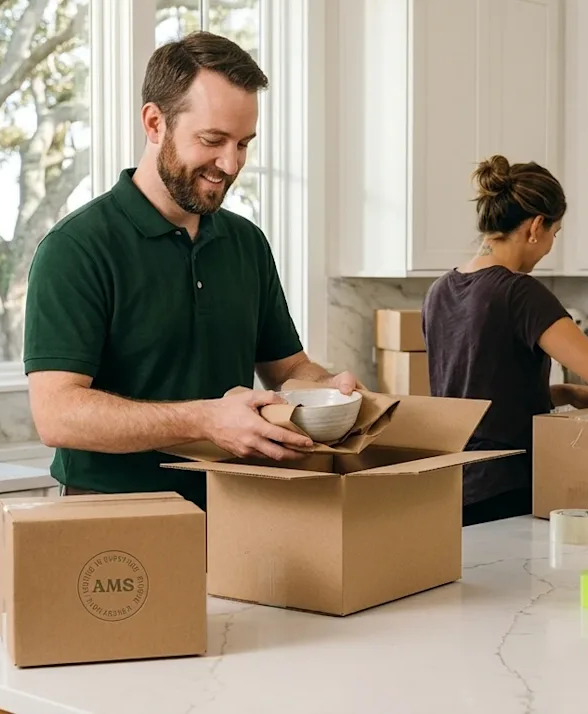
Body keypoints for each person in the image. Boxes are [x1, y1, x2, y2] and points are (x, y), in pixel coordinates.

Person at [22, 32, 358, 509]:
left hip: (238, 507)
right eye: (213, 140)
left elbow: (287, 369)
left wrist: (329, 391)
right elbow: (56, 414)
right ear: (155, 122)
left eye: (243, 143)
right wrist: (205, 420)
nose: (230, 163)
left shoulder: (247, 243)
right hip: (111, 516)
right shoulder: (76, 248)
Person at [422, 154, 588, 527]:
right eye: (554, 233)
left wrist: (561, 393)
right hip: (508, 489)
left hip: (455, 486)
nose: (550, 244)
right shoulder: (518, 291)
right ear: (536, 226)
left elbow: (471, 391)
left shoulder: (440, 289)